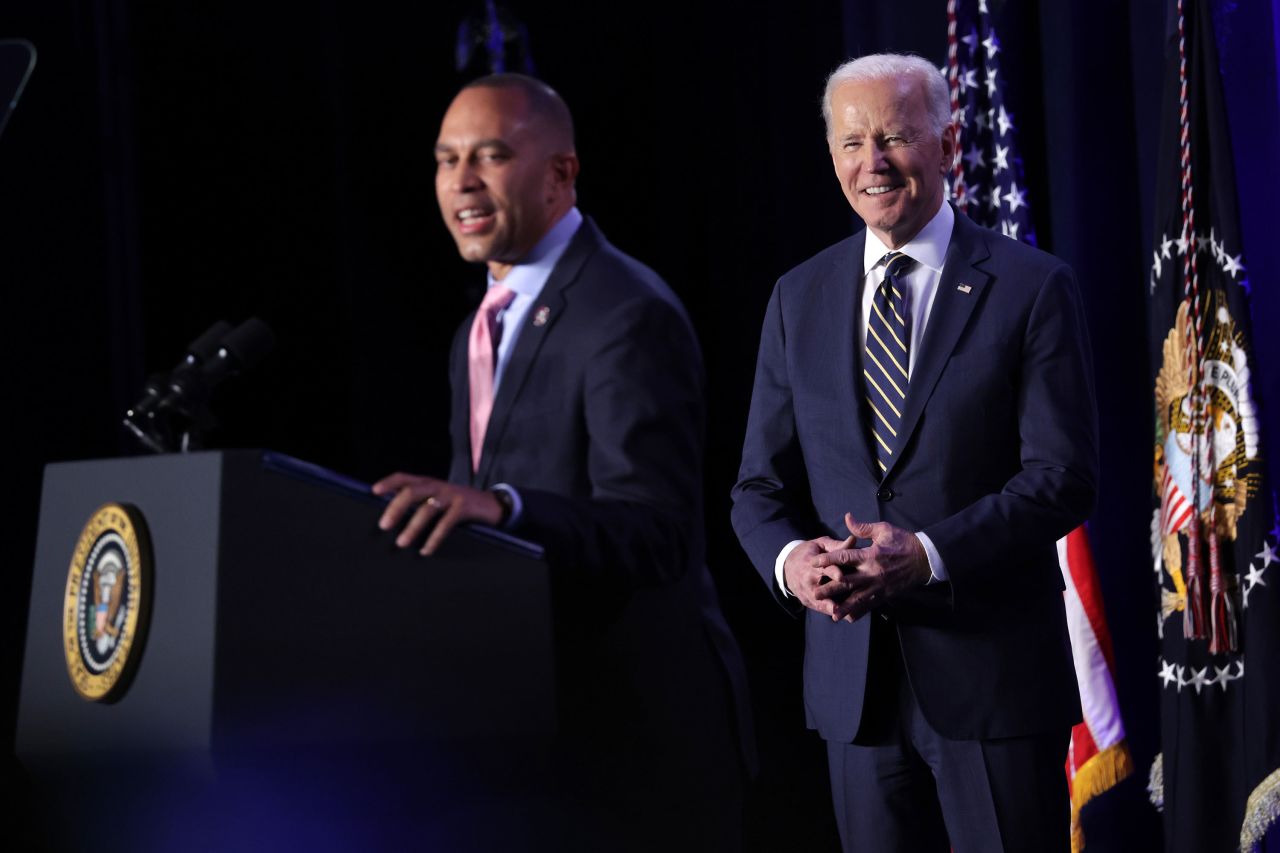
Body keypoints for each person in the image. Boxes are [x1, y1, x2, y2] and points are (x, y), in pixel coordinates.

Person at [373, 73, 752, 851]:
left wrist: (506, 509)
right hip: (528, 736)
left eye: (491, 156)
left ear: (561, 173)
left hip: (638, 746)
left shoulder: (626, 311)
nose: (462, 183)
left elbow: (658, 534)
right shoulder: (475, 329)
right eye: (447, 161)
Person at [730, 53, 1098, 852]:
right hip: (851, 691)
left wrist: (928, 553)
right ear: (831, 156)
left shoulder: (1031, 286)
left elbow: (1062, 477)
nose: (873, 162)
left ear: (945, 140)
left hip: (993, 685)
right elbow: (757, 486)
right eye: (852, 141)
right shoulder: (800, 295)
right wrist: (793, 562)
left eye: (894, 135)